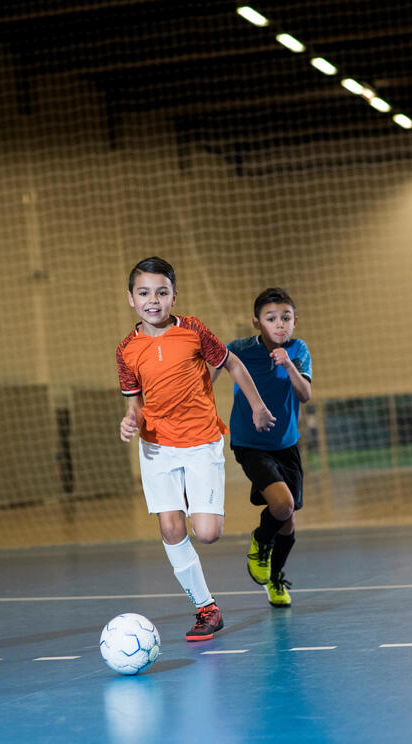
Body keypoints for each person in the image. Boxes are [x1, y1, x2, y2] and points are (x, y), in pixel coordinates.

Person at [117, 257, 277, 641]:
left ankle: (196, 500)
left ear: (174, 296)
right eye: (144, 293)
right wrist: (130, 421)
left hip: (201, 441)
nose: (152, 300)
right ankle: (207, 608)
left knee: (206, 533)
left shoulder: (193, 331)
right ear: (130, 299)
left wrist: (257, 405)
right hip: (157, 448)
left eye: (161, 292)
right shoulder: (126, 350)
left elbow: (232, 363)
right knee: (171, 528)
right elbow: (134, 404)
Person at [213, 287, 312, 608]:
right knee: (282, 506)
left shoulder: (297, 350)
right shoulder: (240, 349)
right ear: (257, 323)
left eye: (286, 318)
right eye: (271, 318)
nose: (280, 324)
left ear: (296, 320)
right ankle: (260, 540)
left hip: (286, 444)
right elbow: (210, 371)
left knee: (288, 521)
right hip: (250, 443)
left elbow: (305, 395)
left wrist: (289, 366)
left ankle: (274, 578)